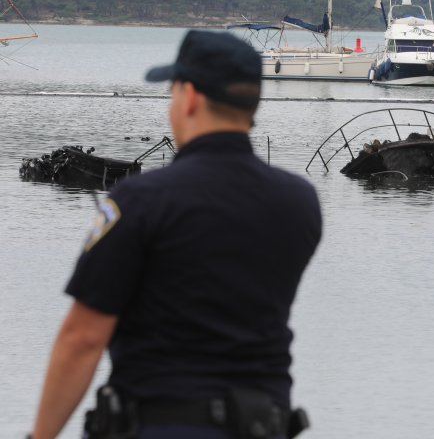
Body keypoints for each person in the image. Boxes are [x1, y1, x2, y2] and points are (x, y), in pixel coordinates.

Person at [31, 30, 322, 439]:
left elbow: (83, 337)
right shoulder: (300, 202)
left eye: (171, 93)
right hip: (262, 424)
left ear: (189, 97)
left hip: (159, 423)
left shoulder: (141, 200)